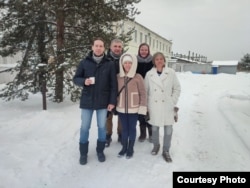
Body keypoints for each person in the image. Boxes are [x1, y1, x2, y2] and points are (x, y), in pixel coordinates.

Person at [73, 38, 117, 165]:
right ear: (92, 47)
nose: (98, 48)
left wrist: (112, 101)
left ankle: (100, 151)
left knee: (102, 127)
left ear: (104, 48)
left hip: (103, 103)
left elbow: (113, 85)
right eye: (96, 45)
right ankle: (83, 153)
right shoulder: (84, 62)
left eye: (101, 46)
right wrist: (83, 82)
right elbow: (76, 78)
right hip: (87, 101)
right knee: (85, 127)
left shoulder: (109, 64)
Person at [144, 52, 181, 162]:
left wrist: (172, 100)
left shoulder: (171, 73)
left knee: (168, 130)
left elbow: (177, 88)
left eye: (161, 59)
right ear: (154, 61)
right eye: (157, 59)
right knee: (154, 128)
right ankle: (156, 145)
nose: (159, 61)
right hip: (154, 106)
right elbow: (145, 91)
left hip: (167, 106)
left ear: (164, 60)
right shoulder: (149, 74)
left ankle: (166, 150)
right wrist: (146, 106)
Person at [116, 53, 147, 159]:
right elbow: (115, 92)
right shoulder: (118, 77)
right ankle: (124, 148)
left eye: (130, 63)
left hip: (134, 109)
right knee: (124, 129)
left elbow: (143, 93)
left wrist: (142, 108)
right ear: (122, 64)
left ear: (133, 64)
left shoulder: (138, 77)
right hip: (121, 109)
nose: (127, 65)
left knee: (132, 129)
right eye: (125, 63)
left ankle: (131, 148)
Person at [105, 39, 124, 147]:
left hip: (122, 90)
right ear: (111, 47)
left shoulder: (125, 59)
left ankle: (121, 134)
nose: (117, 48)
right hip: (108, 91)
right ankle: (108, 135)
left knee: (121, 114)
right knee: (108, 115)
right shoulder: (105, 59)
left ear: (122, 48)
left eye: (119, 46)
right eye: (115, 46)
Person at [136, 43, 154, 142]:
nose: (143, 51)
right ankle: (143, 133)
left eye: (145, 50)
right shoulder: (135, 61)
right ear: (139, 50)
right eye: (142, 49)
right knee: (141, 112)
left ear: (148, 51)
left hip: (151, 90)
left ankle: (151, 133)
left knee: (150, 112)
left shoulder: (152, 61)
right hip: (138, 90)